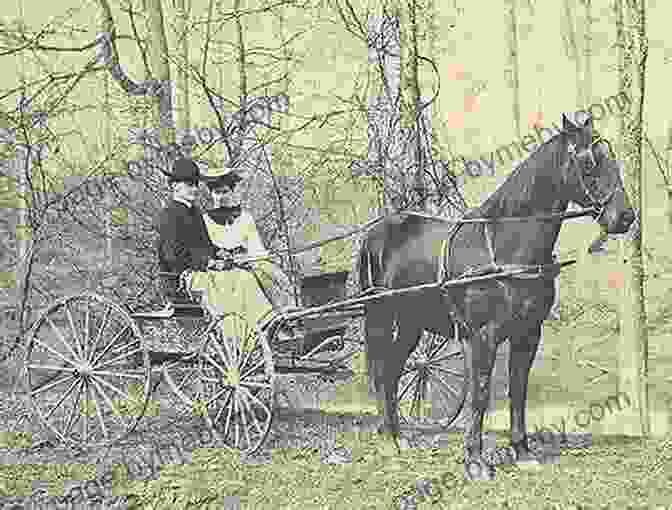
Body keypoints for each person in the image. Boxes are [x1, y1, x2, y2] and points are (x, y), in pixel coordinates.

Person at [190, 166, 293, 340]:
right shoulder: (204, 221)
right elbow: (205, 250)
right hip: (222, 269)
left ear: (232, 192)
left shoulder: (245, 218)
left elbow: (257, 248)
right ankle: (264, 325)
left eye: (224, 192)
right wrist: (222, 259)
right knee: (248, 278)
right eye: (216, 193)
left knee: (273, 273)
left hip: (248, 262)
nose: (221, 197)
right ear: (211, 194)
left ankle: (287, 319)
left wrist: (252, 258)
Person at [156, 158, 221, 285]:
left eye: (196, 184)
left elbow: (206, 245)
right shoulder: (169, 214)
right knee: (233, 281)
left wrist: (222, 253)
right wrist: (207, 263)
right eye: (189, 184)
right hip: (180, 279)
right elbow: (173, 256)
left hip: (202, 273)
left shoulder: (195, 212)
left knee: (244, 275)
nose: (195, 189)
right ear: (175, 186)